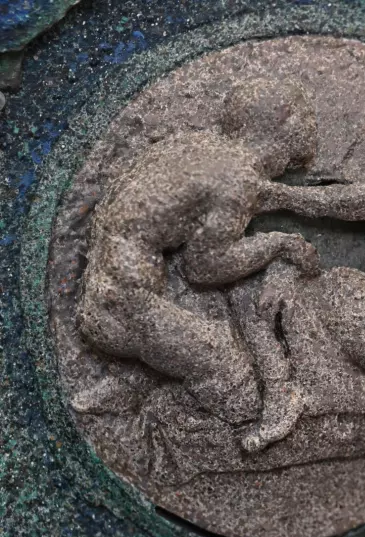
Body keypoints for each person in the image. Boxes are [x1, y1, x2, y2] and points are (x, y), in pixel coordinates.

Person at [74, 78, 321, 426]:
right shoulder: (239, 178)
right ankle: (177, 427)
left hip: (107, 298)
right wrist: (279, 243)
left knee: (208, 312)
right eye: (292, 156)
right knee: (228, 372)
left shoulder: (200, 147)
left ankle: (128, 385)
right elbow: (205, 268)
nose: (287, 166)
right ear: (283, 124)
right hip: (126, 309)